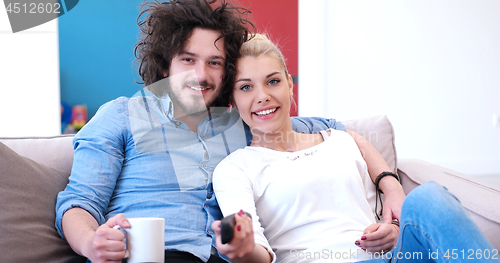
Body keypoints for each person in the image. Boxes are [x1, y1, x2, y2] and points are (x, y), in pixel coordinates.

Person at [55, 1, 404, 262]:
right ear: (165, 64)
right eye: (188, 60)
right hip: (152, 253)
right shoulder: (122, 115)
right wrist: (91, 243)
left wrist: (389, 184)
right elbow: (78, 202)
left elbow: (339, 132)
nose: (202, 75)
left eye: (215, 63)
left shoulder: (241, 122)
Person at [211, 34, 498, 263]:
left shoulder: (340, 141)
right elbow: (257, 252)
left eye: (273, 81)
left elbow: (377, 214)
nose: (262, 96)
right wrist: (243, 248)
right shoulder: (235, 168)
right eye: (246, 87)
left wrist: (392, 231)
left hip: (390, 258)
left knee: (428, 197)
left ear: (289, 85)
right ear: (233, 101)